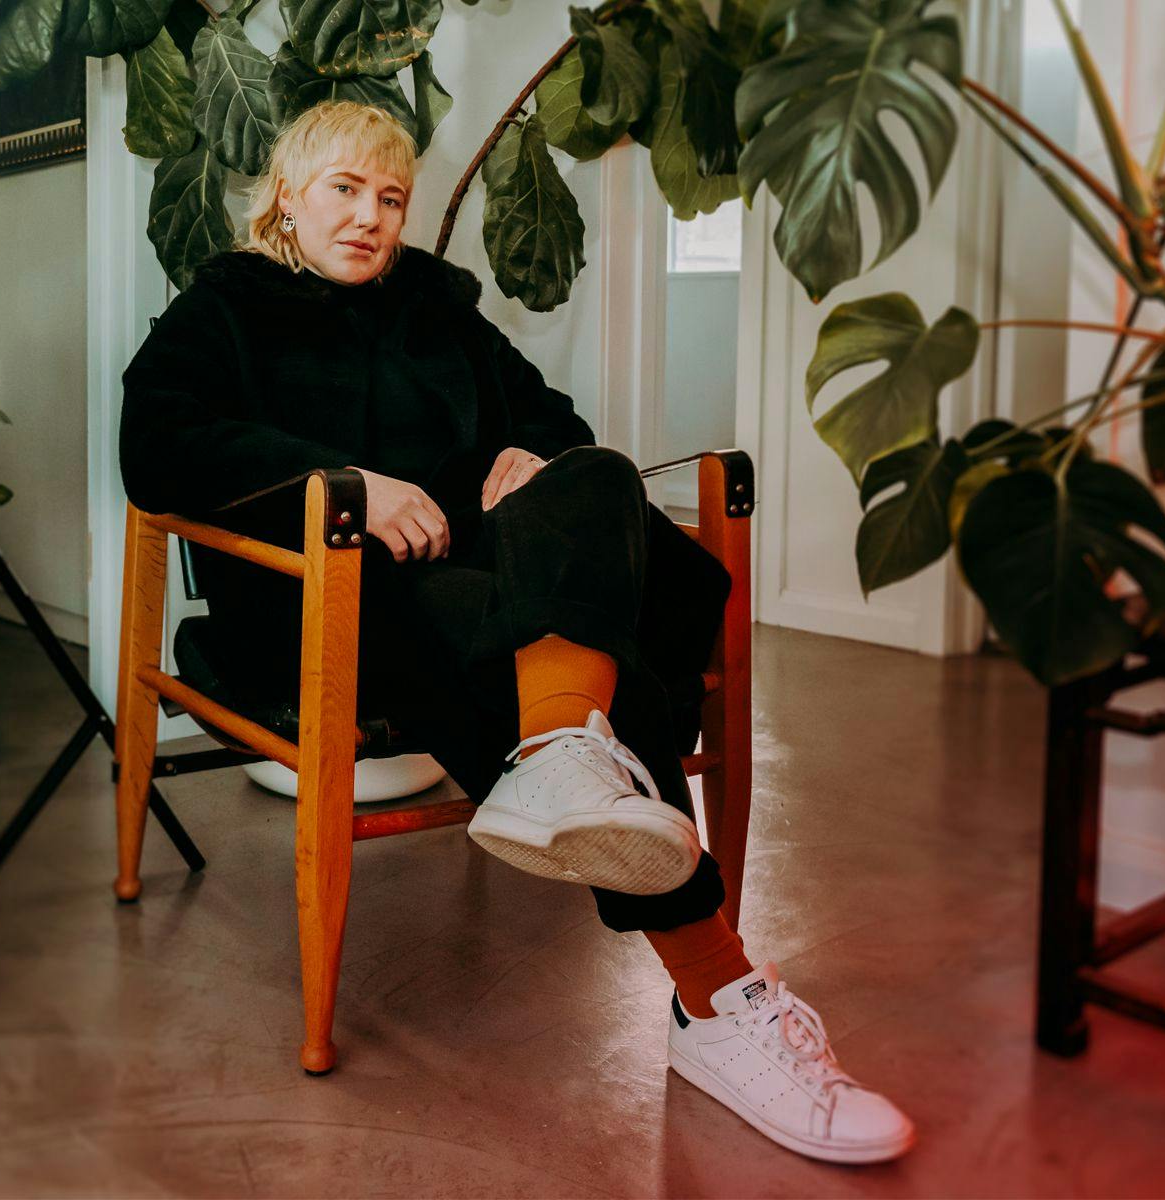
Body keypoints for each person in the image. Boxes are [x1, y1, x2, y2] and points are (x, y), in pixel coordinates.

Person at [120, 100, 915, 1165]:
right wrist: (343, 481)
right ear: (288, 198)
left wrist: (528, 457)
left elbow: (551, 415)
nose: (369, 217)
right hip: (322, 593)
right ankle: (716, 994)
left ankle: (559, 756)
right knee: (552, 645)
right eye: (344, 191)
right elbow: (158, 440)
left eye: (390, 198)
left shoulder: (438, 308)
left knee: (588, 478)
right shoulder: (226, 306)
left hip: (481, 572)